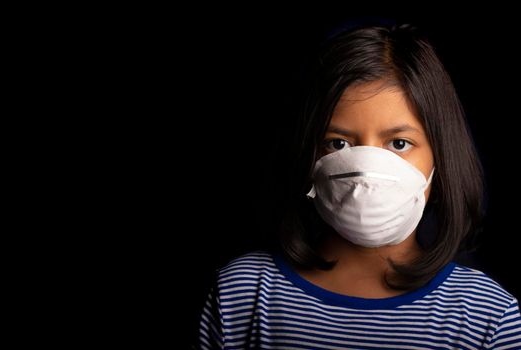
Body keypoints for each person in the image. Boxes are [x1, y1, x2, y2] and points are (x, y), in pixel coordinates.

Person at [196, 22, 521, 349]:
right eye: (338, 144)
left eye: (398, 143)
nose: (367, 171)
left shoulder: (487, 315)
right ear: (308, 155)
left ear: (441, 157)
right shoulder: (242, 294)